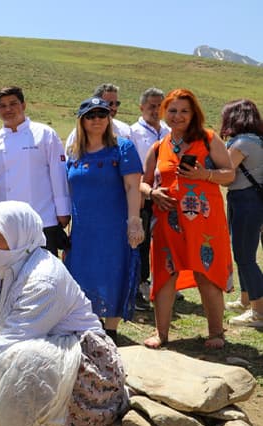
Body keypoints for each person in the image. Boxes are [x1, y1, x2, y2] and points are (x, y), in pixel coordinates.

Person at [0, 201, 127, 426]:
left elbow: (9, 347)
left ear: (20, 235)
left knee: (24, 361)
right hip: (30, 350)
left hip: (84, 368)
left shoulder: (43, 278)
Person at [140, 89, 234, 349]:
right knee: (164, 274)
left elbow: (229, 174)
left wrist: (205, 174)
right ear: (164, 113)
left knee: (207, 273)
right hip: (167, 221)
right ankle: (161, 334)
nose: (178, 116)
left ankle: (216, 333)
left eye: (184, 111)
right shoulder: (159, 147)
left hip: (204, 222)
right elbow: (143, 182)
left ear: (194, 114)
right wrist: (153, 193)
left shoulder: (208, 139)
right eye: (172, 110)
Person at [65, 97, 144, 343]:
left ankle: (111, 329)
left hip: (113, 226)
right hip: (83, 229)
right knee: (82, 274)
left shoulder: (123, 148)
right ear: (82, 121)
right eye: (91, 115)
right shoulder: (74, 153)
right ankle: (91, 326)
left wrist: (134, 221)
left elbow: (133, 187)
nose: (97, 119)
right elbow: (70, 193)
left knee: (113, 271)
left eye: (102, 114)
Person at [0, 86, 70, 256]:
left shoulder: (45, 134)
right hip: (7, 223)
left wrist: (62, 211)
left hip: (42, 218)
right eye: (2, 106)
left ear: (23, 105)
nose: (8, 109)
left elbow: (58, 174)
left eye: (13, 104)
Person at [219, 99, 263, 328]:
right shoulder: (256, 140)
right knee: (243, 253)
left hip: (245, 200)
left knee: (244, 256)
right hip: (250, 199)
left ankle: (259, 310)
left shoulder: (243, 143)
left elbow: (224, 169)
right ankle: (247, 298)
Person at [130, 88, 171, 311]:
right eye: (151, 106)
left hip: (166, 197)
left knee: (166, 242)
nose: (156, 111)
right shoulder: (132, 132)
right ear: (141, 107)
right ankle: (138, 285)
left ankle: (165, 283)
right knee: (141, 242)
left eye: (159, 106)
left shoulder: (168, 131)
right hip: (142, 195)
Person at [65, 83, 132, 152]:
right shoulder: (77, 134)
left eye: (116, 103)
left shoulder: (125, 130)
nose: (114, 107)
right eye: (110, 103)